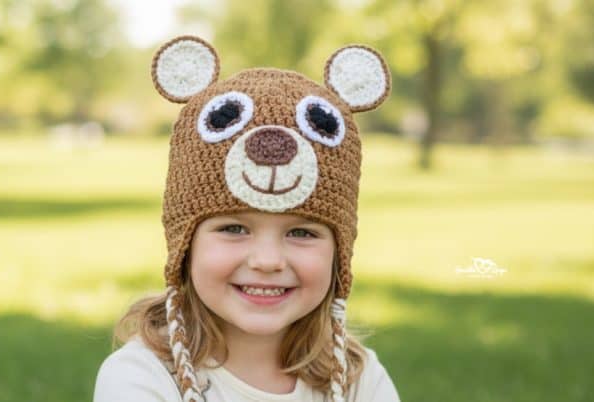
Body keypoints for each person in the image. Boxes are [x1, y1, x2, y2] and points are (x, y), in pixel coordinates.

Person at [93, 35, 402, 402]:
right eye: (234, 228)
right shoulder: (142, 377)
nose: (267, 261)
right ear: (184, 245)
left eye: (301, 232)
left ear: (340, 252)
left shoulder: (356, 377)